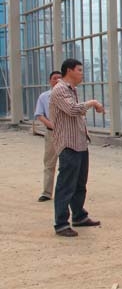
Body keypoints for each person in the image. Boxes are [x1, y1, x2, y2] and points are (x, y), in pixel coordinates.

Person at [50, 58, 104, 237]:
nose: (82, 73)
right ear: (69, 71)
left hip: (80, 143)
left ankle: (79, 215)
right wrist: (92, 103)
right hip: (68, 145)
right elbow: (72, 110)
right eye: (79, 70)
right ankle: (61, 223)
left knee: (80, 183)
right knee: (66, 185)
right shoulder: (59, 89)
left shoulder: (72, 90)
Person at [34, 70, 62, 202]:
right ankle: (46, 192)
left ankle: (66, 192)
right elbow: (39, 114)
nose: (57, 81)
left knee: (67, 164)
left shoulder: (69, 95)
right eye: (54, 78)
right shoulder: (44, 97)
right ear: (50, 81)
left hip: (67, 133)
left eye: (60, 78)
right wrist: (51, 125)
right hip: (51, 133)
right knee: (49, 163)